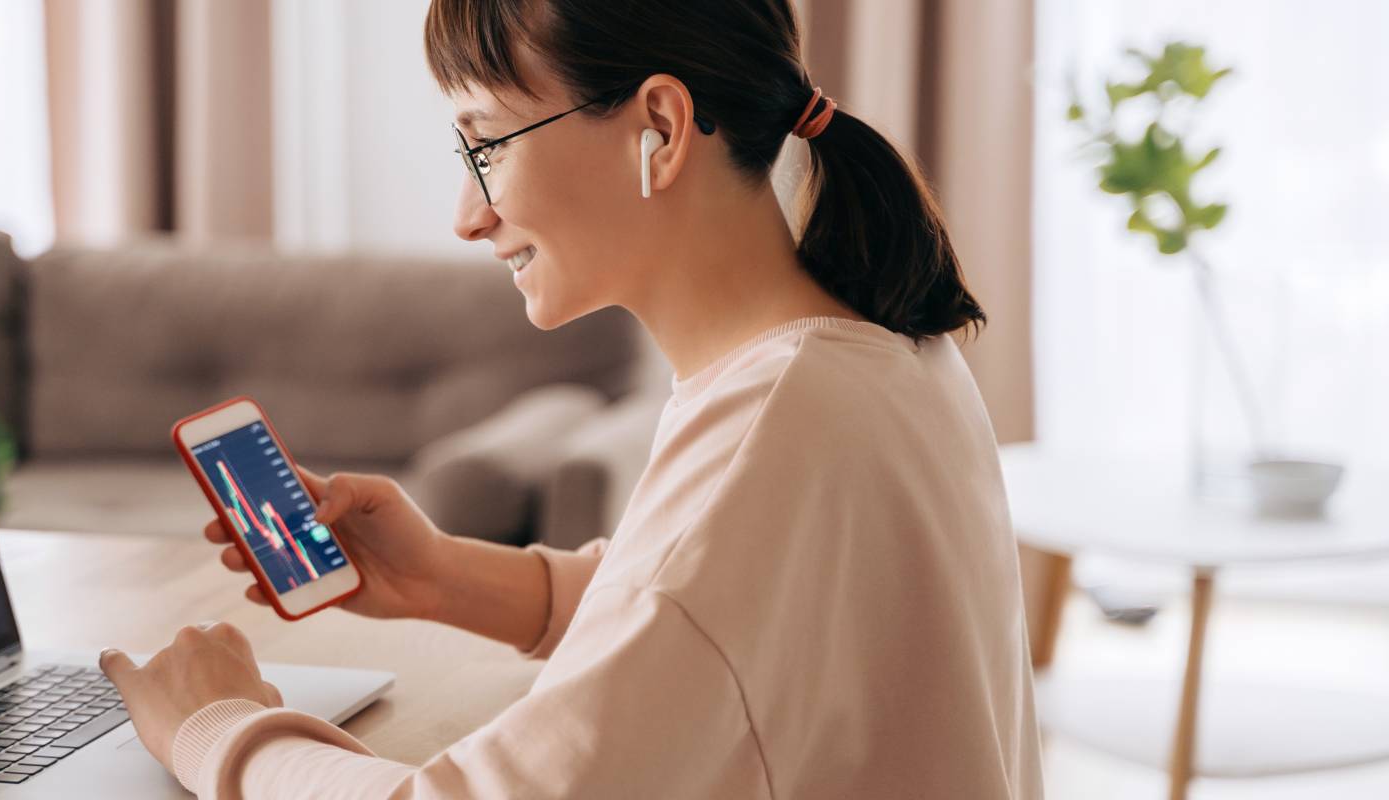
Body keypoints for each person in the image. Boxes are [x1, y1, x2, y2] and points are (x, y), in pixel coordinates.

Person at [98, 0, 1044, 796]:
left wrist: (217, 726)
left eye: (487, 146)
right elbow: (718, 611)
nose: (468, 216)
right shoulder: (877, 352)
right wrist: (447, 578)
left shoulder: (776, 425)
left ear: (661, 130)